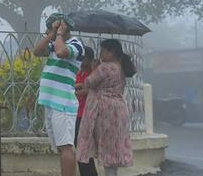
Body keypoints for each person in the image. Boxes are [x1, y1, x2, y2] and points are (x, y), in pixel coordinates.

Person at [33, 13, 84, 176]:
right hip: (51, 102)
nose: (51, 31)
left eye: (53, 27)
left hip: (63, 104)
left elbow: (62, 52)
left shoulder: (76, 44)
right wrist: (51, 36)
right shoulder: (55, 42)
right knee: (60, 149)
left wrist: (60, 34)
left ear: (64, 26)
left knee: (66, 147)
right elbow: (37, 51)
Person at [76, 39, 136, 176]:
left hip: (103, 111)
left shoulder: (105, 67)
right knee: (113, 148)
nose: (100, 54)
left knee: (105, 146)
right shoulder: (120, 67)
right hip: (118, 109)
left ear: (112, 52)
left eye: (103, 51)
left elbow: (90, 82)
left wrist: (93, 68)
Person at [74, 47, 98, 176]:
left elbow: (98, 90)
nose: (81, 61)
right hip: (76, 113)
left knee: (85, 150)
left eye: (84, 58)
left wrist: (85, 91)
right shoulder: (79, 73)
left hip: (87, 115)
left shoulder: (94, 75)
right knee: (80, 150)